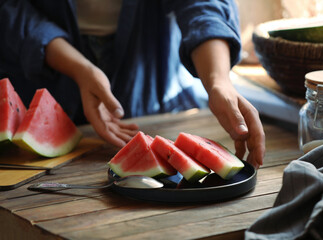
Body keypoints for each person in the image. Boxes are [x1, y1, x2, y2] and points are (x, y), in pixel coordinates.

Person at [0, 0, 265, 168]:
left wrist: (218, 80)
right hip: (45, 65)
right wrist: (80, 69)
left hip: (152, 74)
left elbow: (203, 5)